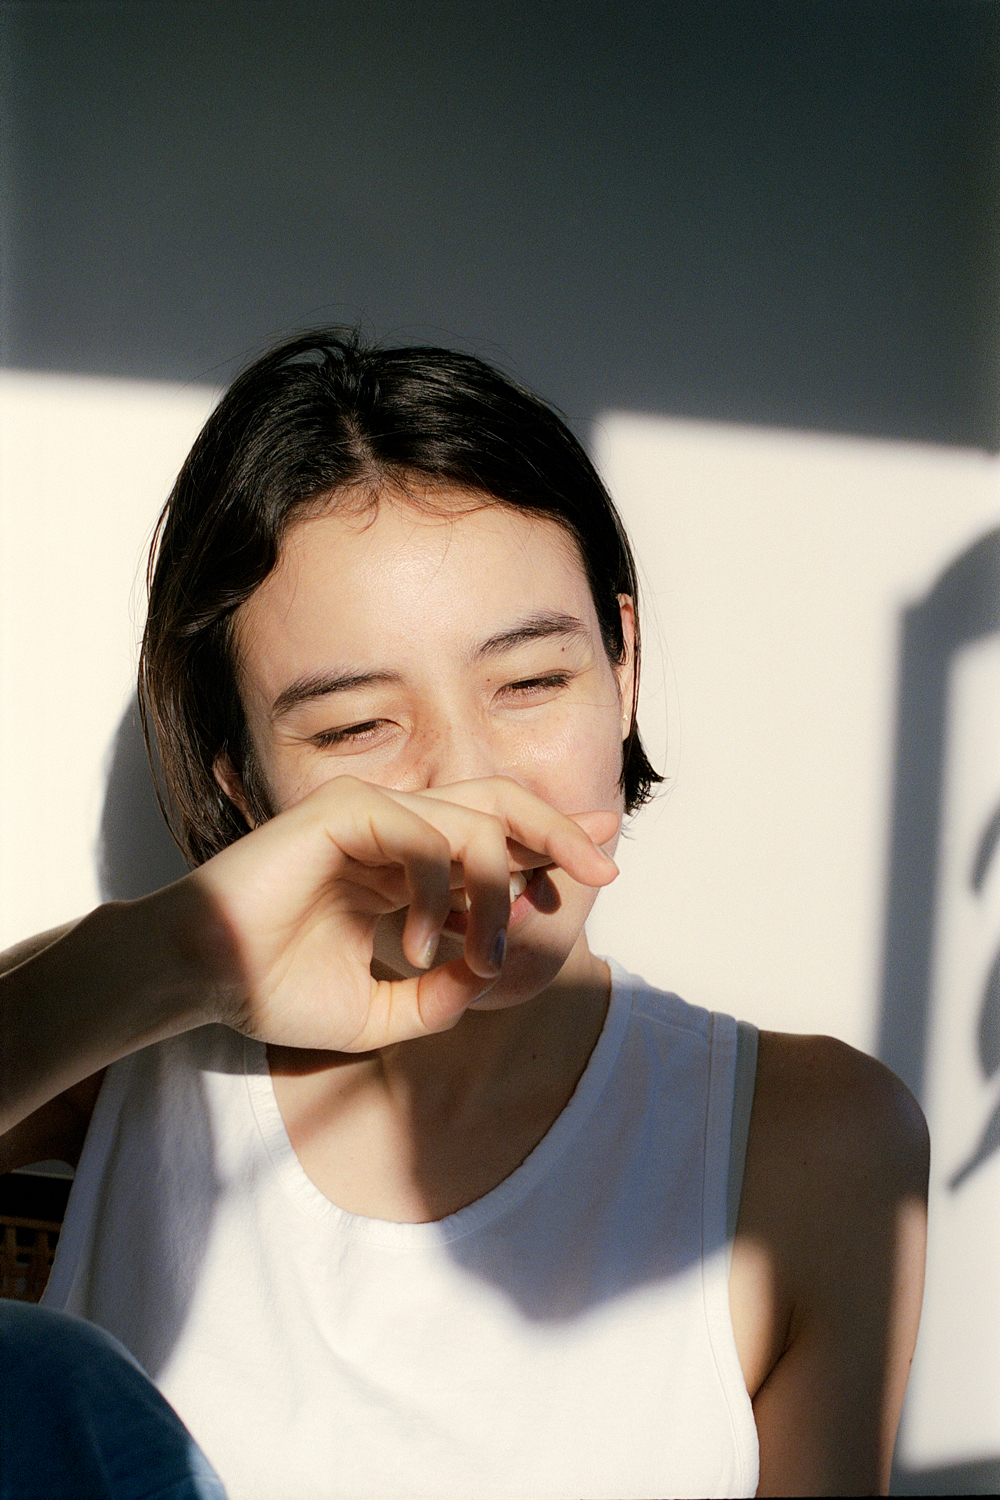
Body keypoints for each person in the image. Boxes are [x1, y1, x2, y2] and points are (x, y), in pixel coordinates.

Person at [1, 331, 929, 1498]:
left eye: (532, 682)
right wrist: (183, 954)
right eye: (355, 727)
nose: (470, 786)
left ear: (623, 667)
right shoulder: (118, 1040)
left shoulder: (811, 1141)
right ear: (241, 778)